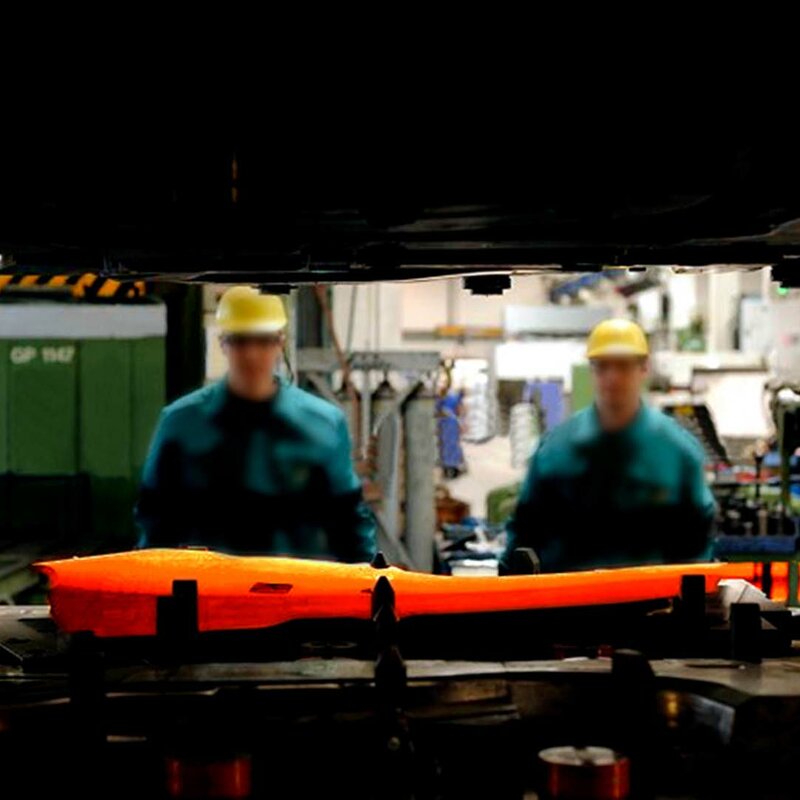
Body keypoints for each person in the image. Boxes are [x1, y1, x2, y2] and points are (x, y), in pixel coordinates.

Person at [136, 286, 376, 562]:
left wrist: (369, 588)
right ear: (223, 343)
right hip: (208, 593)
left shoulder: (322, 425)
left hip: (297, 593)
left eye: (263, 340)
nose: (251, 354)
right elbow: (155, 521)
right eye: (240, 340)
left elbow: (349, 523)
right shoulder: (181, 423)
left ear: (280, 342)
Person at [502, 318, 715, 573]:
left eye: (623, 366)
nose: (612, 378)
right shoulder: (555, 451)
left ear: (643, 368)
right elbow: (524, 532)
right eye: (603, 367)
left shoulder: (677, 452)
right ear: (591, 370)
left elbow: (698, 538)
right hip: (568, 603)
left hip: (654, 606)